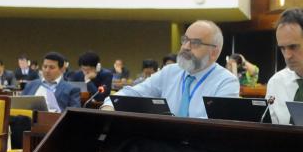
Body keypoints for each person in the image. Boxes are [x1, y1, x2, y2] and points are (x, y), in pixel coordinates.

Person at [102, 20, 240, 118]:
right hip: (164, 145)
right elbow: (134, 93)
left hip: (198, 151)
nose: (186, 47)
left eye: (195, 43)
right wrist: (109, 106)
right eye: (185, 40)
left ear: (214, 52)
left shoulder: (226, 82)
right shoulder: (170, 71)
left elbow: (214, 127)